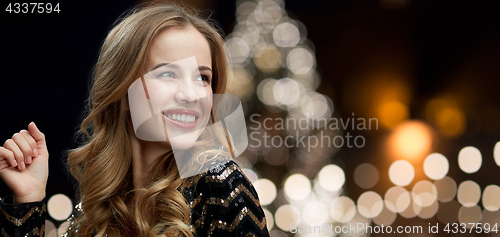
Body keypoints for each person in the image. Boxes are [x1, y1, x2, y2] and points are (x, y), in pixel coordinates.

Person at [0, 3, 270, 237]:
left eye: (203, 78)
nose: (191, 95)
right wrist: (27, 200)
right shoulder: (93, 213)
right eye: (167, 74)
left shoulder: (220, 184)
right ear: (123, 92)